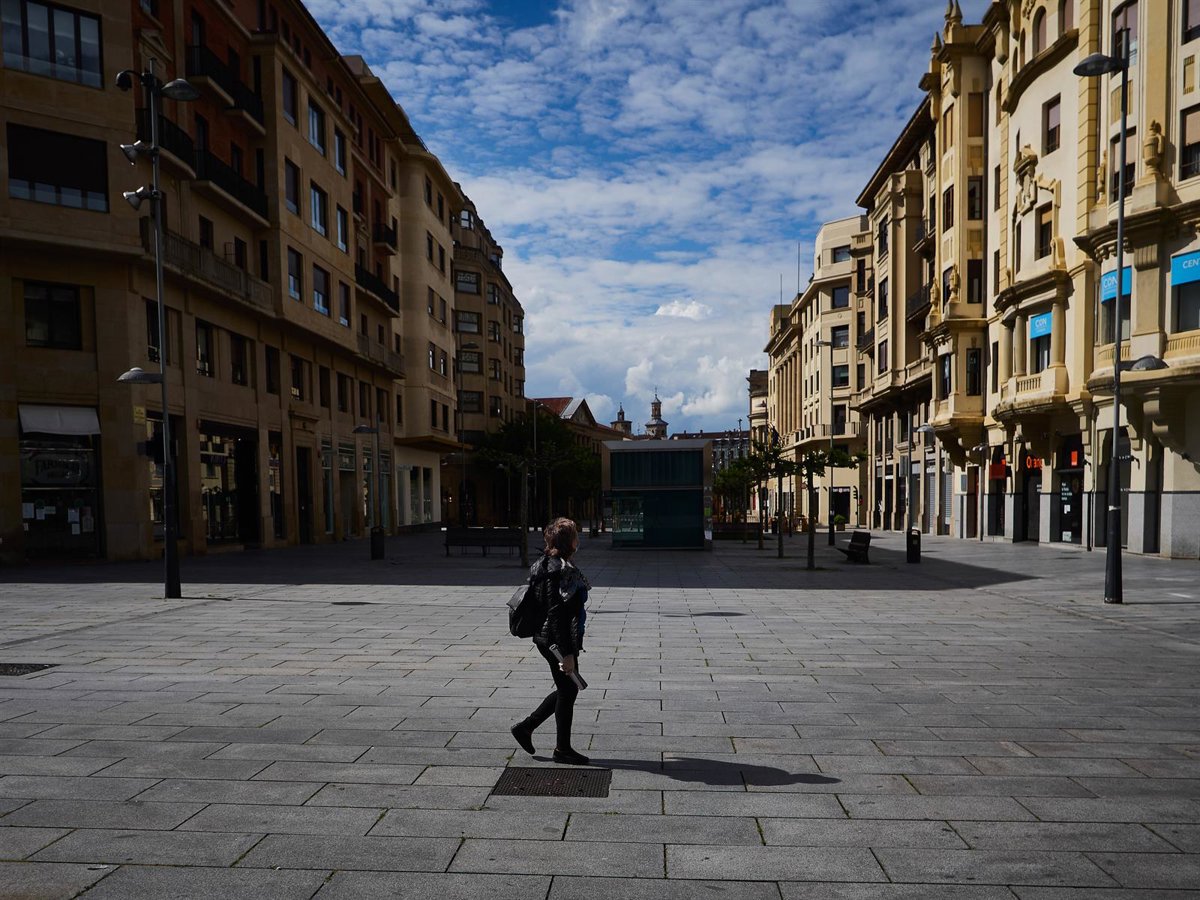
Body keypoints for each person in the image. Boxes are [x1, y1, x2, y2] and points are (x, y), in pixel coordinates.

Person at [511, 517, 591, 765]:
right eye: (575, 535)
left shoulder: (546, 563)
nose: (578, 539)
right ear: (570, 542)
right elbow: (557, 613)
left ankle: (527, 728)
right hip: (555, 640)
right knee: (568, 689)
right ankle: (560, 748)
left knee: (568, 688)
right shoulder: (560, 570)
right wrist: (567, 653)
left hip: (549, 637)